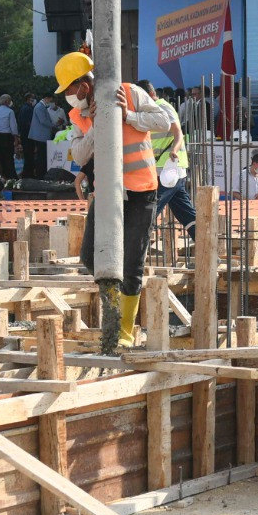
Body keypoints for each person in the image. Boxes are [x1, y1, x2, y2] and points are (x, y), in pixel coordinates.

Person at [58, 51, 172, 354]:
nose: (67, 97)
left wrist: (128, 116)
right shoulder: (77, 115)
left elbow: (166, 120)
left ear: (83, 85)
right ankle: (113, 311)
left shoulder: (130, 93)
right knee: (90, 257)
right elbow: (80, 154)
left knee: (132, 262)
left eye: (69, 90)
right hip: (108, 192)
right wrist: (97, 123)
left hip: (140, 191)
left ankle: (123, 332)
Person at [140, 80, 197, 235]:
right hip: (164, 168)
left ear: (151, 94)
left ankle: (134, 249)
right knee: (185, 213)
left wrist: (174, 150)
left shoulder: (163, 107)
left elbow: (178, 133)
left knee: (150, 209)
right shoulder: (149, 111)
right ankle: (206, 246)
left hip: (169, 167)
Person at [27, 94, 63, 180]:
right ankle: (40, 175)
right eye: (50, 100)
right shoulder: (39, 107)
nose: (50, 103)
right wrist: (54, 125)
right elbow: (43, 120)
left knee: (42, 156)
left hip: (41, 135)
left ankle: (41, 174)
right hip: (40, 135)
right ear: (47, 98)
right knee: (41, 156)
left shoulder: (40, 107)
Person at [0, 94, 19, 182]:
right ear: (7, 102)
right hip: (6, 136)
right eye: (10, 100)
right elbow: (13, 126)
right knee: (8, 158)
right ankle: (10, 177)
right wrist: (16, 138)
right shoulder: (10, 112)